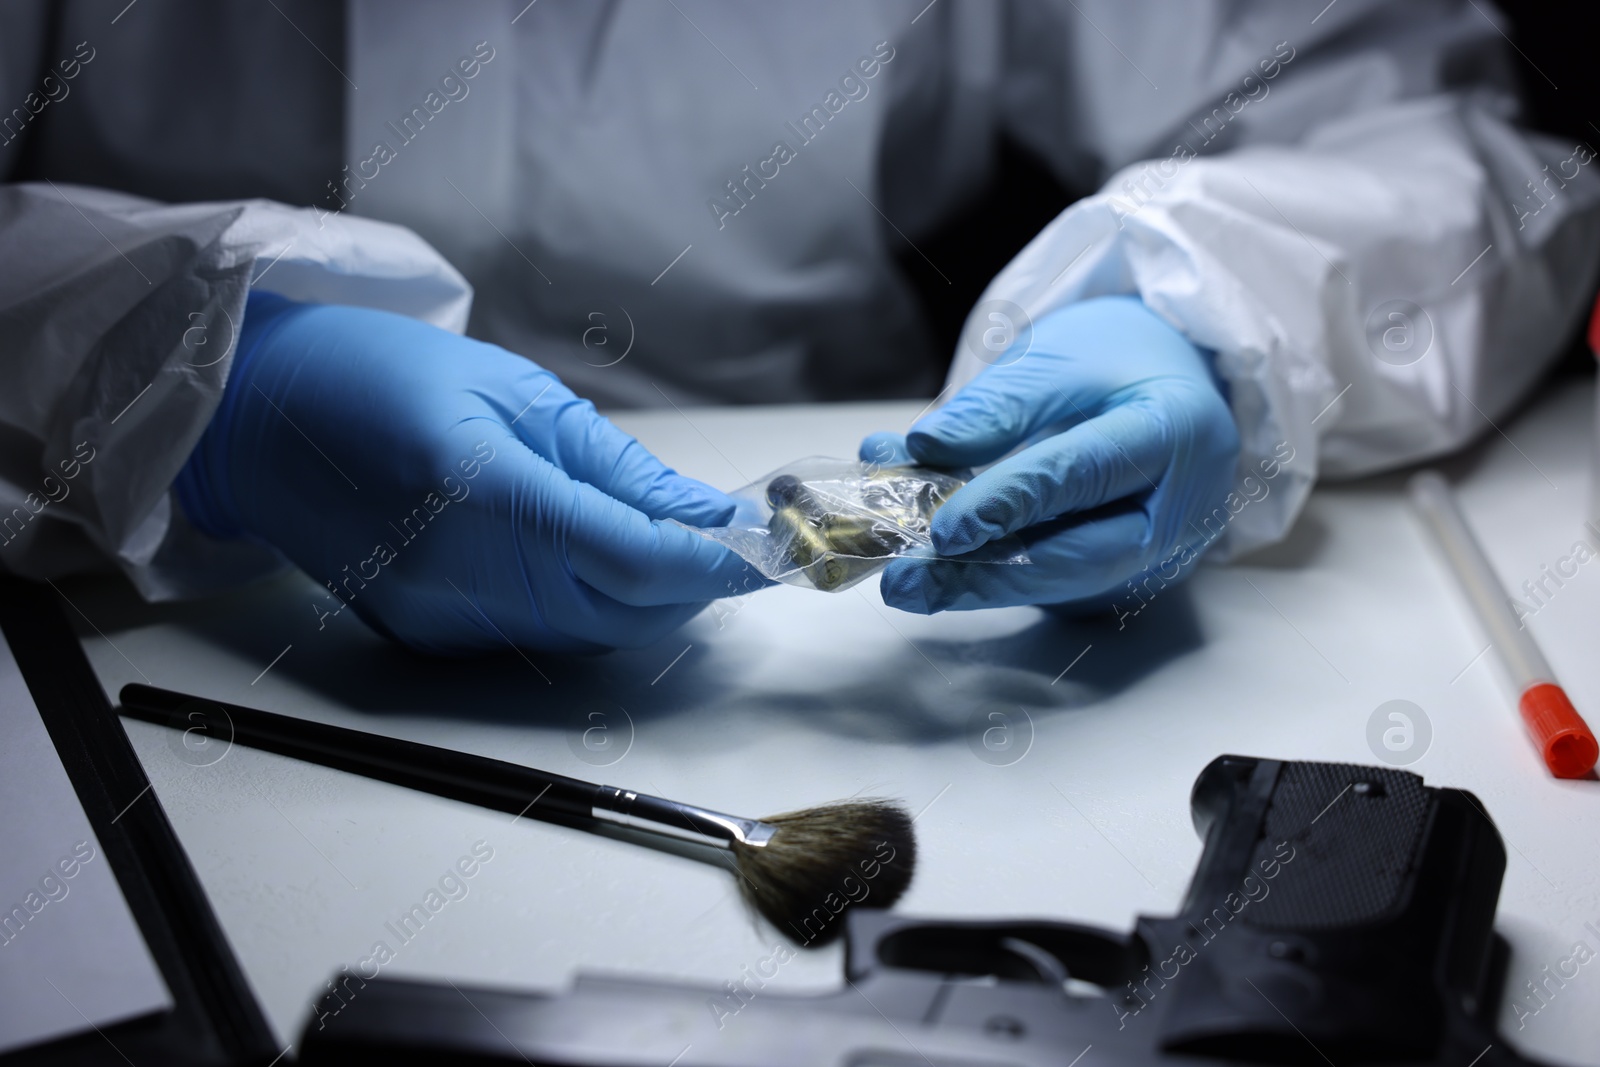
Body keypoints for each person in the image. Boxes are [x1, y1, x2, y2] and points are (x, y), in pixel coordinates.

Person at [2, 0, 1596, 653]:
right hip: (138, 609)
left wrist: (1214, 313)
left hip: (821, 646)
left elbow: (1432, 144)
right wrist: (184, 380)